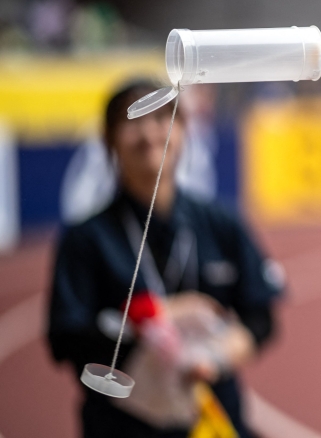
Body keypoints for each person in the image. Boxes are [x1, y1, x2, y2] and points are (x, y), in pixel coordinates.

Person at [48, 79, 283, 438]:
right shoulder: (86, 238)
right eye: (132, 121)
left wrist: (214, 358)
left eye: (162, 118)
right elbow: (66, 339)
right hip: (123, 426)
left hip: (213, 419)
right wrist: (158, 317)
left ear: (184, 131)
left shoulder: (220, 223)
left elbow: (261, 318)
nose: (149, 133)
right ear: (109, 138)